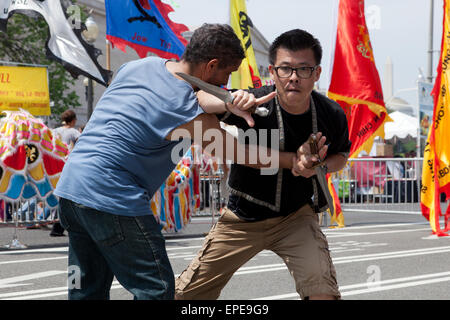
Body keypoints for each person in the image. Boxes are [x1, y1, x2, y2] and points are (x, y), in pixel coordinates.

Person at [54, 23, 299, 300]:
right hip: (113, 198)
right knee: (156, 289)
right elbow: (240, 153)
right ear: (211, 66)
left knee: (86, 290)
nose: (227, 84)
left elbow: (186, 89)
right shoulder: (186, 112)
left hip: (71, 192)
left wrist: (226, 101)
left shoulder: (140, 67)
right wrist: (294, 160)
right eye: (227, 75)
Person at [175, 29, 351, 300]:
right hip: (242, 216)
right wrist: (231, 100)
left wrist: (320, 165)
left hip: (297, 217)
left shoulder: (332, 113)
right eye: (285, 69)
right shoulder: (253, 101)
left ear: (317, 73)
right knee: (186, 295)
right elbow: (196, 98)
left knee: (323, 291)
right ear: (272, 71)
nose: (293, 77)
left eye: (303, 69)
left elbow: (342, 155)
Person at [51, 110, 81, 237]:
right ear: (73, 120)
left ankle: (57, 226)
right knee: (69, 195)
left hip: (54, 165)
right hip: (68, 165)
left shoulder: (55, 131)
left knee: (59, 195)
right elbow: (80, 146)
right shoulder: (74, 132)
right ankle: (59, 226)